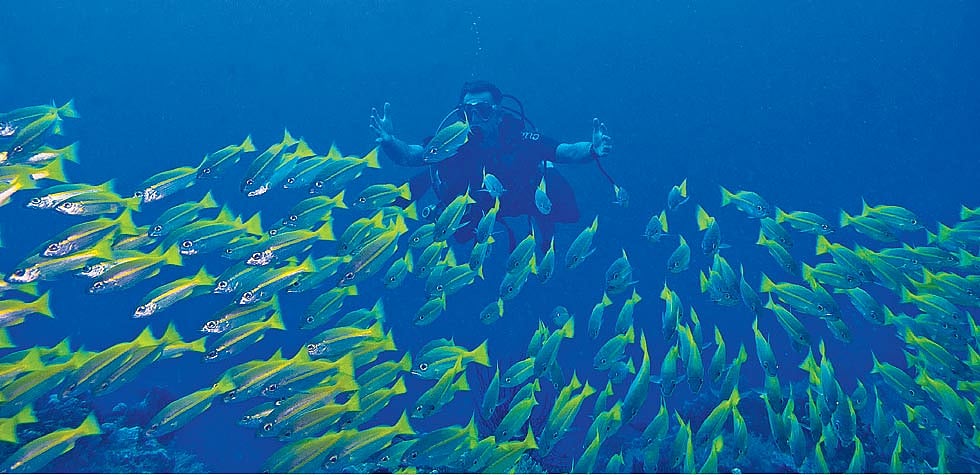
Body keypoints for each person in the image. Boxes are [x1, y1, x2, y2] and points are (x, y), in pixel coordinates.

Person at [369, 80, 613, 250]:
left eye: (483, 110)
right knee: (461, 236)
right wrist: (390, 142)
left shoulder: (521, 139)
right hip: (478, 208)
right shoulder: (454, 143)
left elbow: (566, 151)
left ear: (497, 114)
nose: (474, 118)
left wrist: (592, 149)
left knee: (551, 210)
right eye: (467, 112)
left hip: (521, 201)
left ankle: (544, 237)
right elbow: (412, 156)